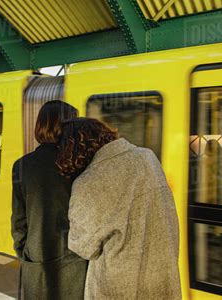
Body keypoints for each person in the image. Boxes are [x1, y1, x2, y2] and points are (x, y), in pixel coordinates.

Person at [56, 118, 181, 299]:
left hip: (119, 289)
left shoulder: (89, 182)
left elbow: (83, 247)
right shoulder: (148, 157)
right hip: (162, 281)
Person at [11, 101, 87, 300]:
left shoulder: (22, 166)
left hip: (37, 258)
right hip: (75, 260)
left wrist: (25, 252)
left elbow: (19, 220)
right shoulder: (79, 163)